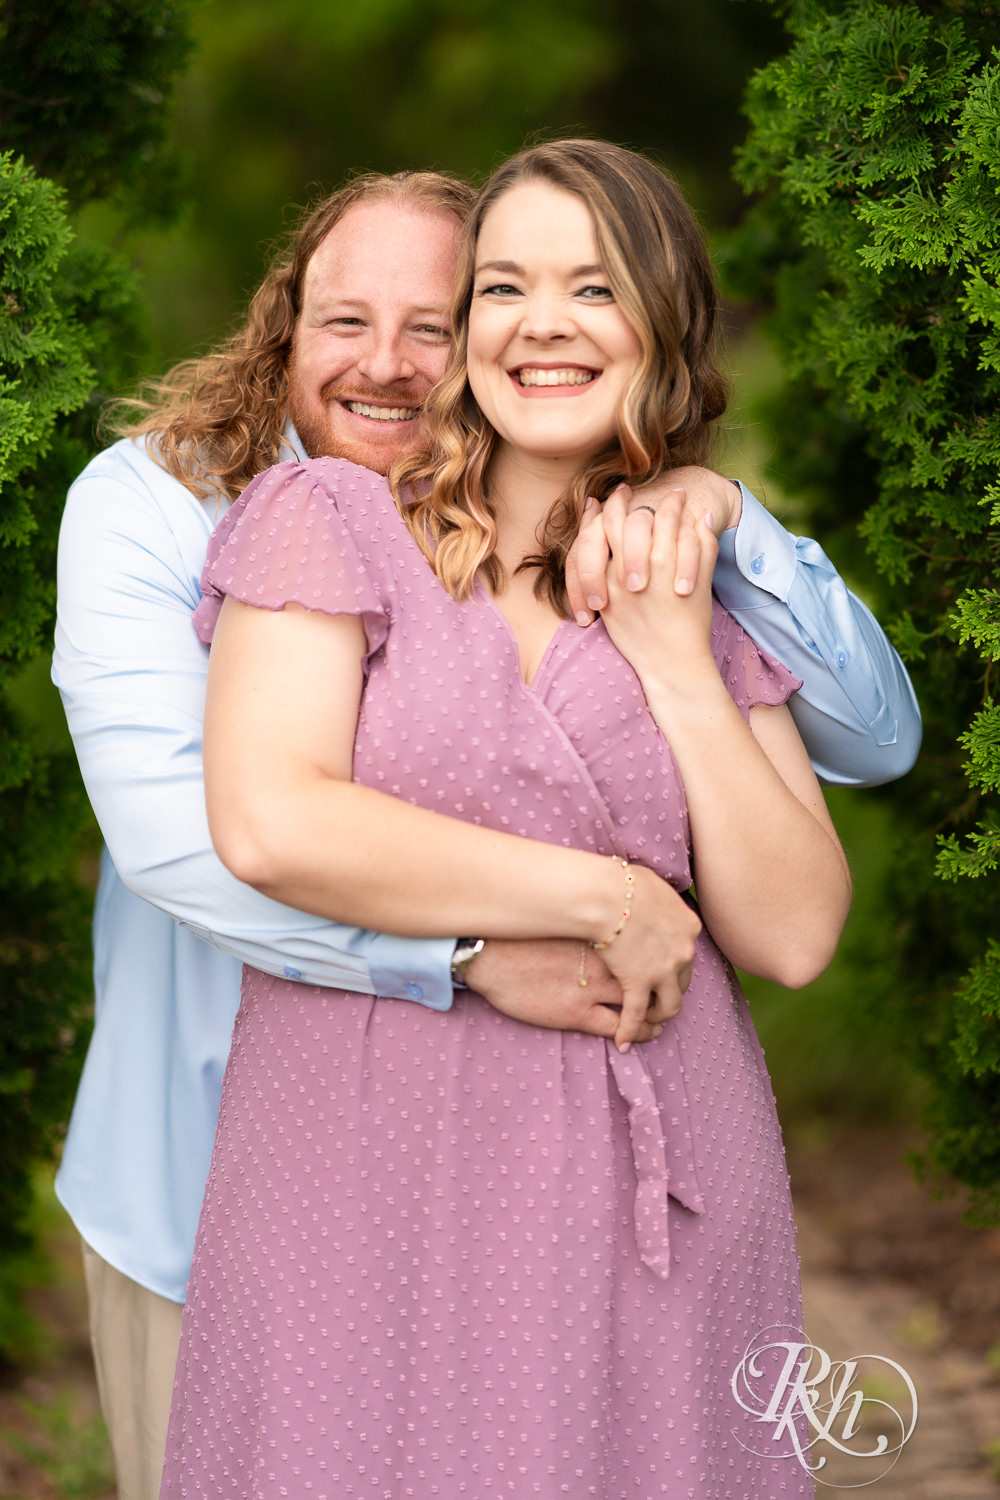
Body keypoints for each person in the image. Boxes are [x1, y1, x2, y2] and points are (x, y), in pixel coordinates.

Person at [52, 165, 917, 1499]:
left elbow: (797, 932)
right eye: (505, 288)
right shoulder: (323, 518)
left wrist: (679, 656)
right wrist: (602, 898)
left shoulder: (690, 576)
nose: (541, 322)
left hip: (655, 1183)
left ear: (666, 326)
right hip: (356, 1170)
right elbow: (269, 822)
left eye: (593, 287)